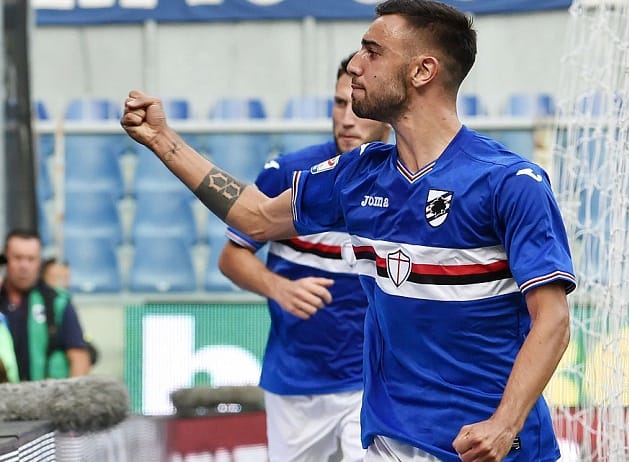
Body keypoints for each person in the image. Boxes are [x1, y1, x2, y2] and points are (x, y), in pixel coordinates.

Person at [121, 0, 576, 460]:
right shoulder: (357, 173)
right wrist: (162, 139)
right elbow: (255, 216)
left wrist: (504, 424)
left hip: (488, 445)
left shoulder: (509, 181)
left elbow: (554, 320)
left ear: (423, 71)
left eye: (372, 52)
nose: (356, 65)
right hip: (390, 440)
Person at [219, 53, 390, 461]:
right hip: (296, 381)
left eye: (357, 105)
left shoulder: (404, 181)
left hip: (372, 381)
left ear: (386, 111)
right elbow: (231, 257)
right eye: (338, 103)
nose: (346, 119)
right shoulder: (290, 174)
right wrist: (278, 287)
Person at [0, 229, 91, 380]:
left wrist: (71, 393)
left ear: (39, 262)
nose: (24, 266)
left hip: (47, 393)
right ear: (5, 260)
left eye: (31, 259)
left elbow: (79, 358)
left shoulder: (57, 302)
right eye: (17, 258)